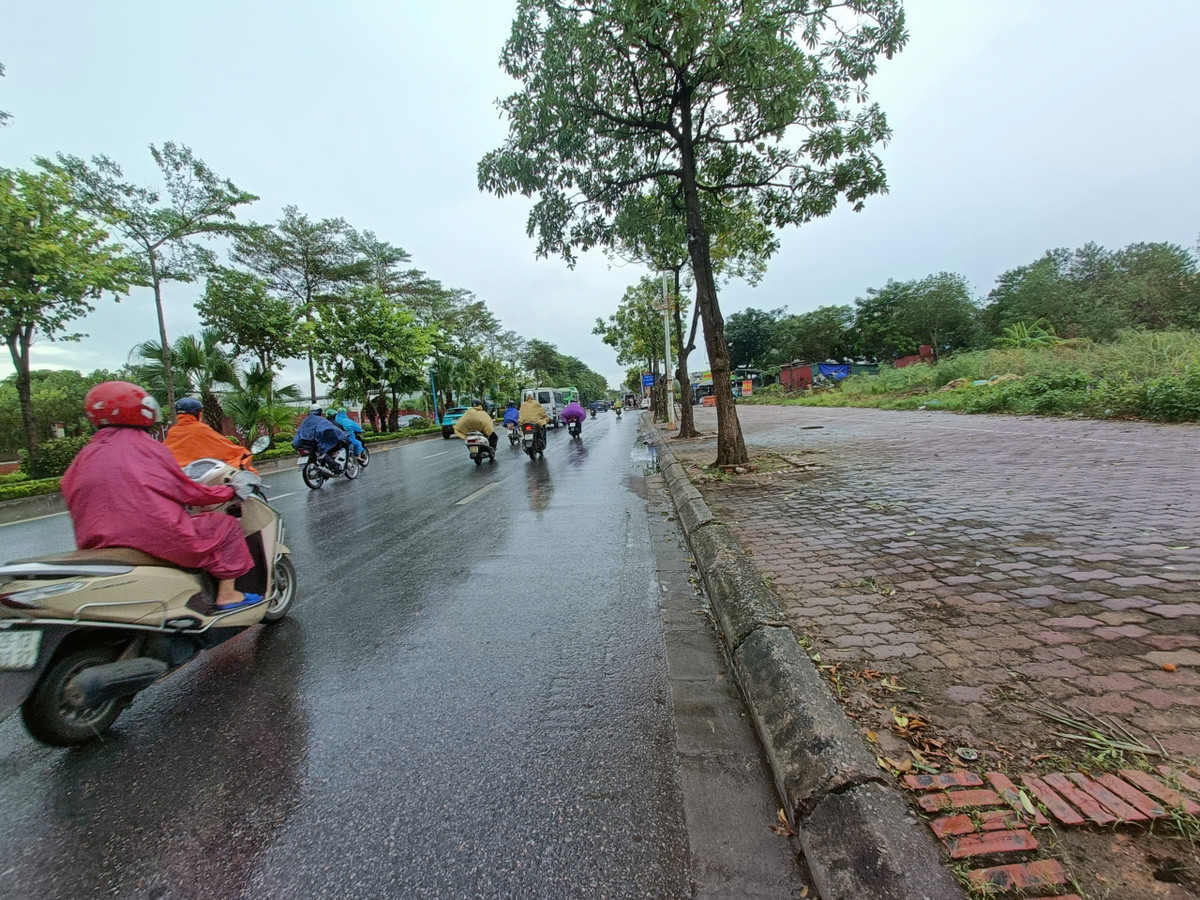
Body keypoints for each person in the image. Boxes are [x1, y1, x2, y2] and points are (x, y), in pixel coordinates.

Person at [61, 381, 260, 611]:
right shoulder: (150, 447)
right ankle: (228, 594)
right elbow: (189, 489)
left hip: (99, 544)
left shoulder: (85, 455)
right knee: (225, 527)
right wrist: (231, 489)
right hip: (160, 534)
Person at [164, 397, 258, 474]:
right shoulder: (200, 428)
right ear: (198, 413)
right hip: (200, 475)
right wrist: (244, 453)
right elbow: (225, 448)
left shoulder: (173, 431)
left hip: (176, 475)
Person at [293, 405, 351, 469]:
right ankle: (334, 465)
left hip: (303, 443)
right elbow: (333, 429)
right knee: (325, 449)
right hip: (314, 443)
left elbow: (299, 432)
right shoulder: (321, 420)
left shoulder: (306, 420)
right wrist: (342, 435)